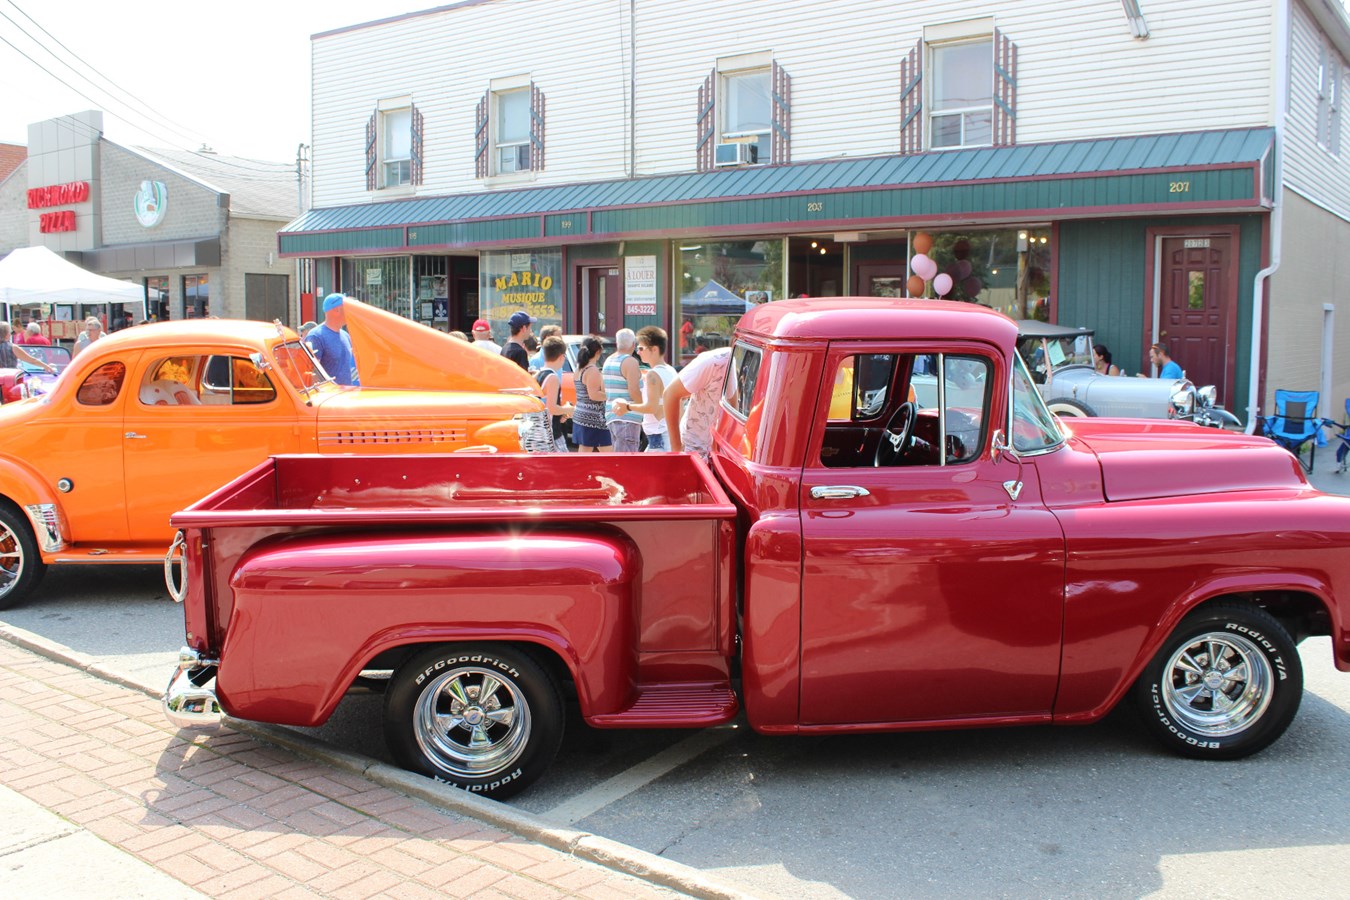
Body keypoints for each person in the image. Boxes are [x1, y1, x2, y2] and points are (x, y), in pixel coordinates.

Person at [611, 326, 677, 451]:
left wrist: (627, 407)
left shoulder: (653, 374)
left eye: (641, 348)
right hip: (666, 434)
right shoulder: (670, 370)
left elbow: (651, 407)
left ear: (654, 349)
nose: (638, 352)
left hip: (658, 438)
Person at [664, 346, 732, 458]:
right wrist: (676, 450)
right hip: (694, 453)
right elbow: (670, 394)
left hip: (721, 456)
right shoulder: (714, 361)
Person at [305, 293, 360, 386]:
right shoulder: (316, 336)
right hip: (328, 397)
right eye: (346, 308)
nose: (350, 312)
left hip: (346, 396)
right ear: (337, 310)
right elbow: (310, 372)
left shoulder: (345, 336)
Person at [603, 328, 643, 451]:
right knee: (628, 460)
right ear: (633, 345)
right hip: (627, 417)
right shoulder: (630, 362)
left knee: (618, 457)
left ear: (617, 343)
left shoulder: (608, 360)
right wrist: (646, 406)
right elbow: (634, 391)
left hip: (612, 415)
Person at [571, 336, 611, 452]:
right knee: (609, 453)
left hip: (580, 415)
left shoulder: (579, 369)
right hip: (594, 419)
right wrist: (611, 396)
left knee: (584, 451)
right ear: (598, 352)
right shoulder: (592, 370)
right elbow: (594, 395)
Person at [534, 335, 574, 452]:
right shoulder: (552, 378)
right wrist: (569, 409)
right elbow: (552, 408)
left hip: (542, 432)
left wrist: (562, 414)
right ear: (562, 357)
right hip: (551, 435)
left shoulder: (538, 374)